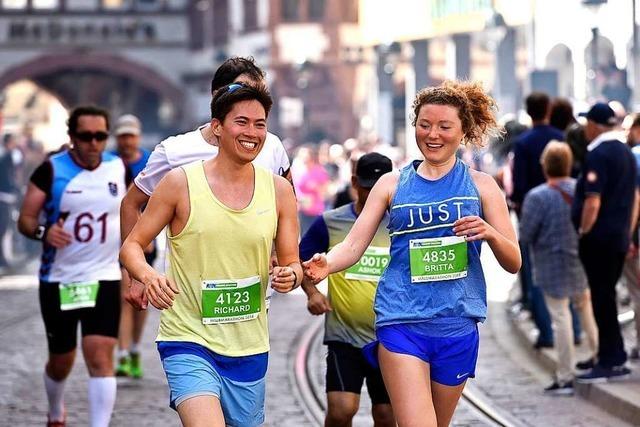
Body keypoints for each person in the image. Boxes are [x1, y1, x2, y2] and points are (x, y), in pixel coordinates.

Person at [303, 81, 520, 426]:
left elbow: (513, 262)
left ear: (462, 130)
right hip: (401, 322)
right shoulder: (391, 184)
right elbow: (354, 244)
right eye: (424, 125)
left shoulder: (482, 186)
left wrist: (489, 233)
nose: (432, 134)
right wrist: (325, 264)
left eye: (444, 126)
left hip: (457, 325)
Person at [120, 83, 301, 427]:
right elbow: (131, 245)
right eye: (242, 122)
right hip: (188, 338)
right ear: (217, 127)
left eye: (260, 124)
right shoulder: (179, 183)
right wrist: (147, 275)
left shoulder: (279, 191)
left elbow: (292, 263)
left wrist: (291, 275)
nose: (252, 133)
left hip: (248, 344)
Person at [120, 56, 292, 311]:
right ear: (216, 98)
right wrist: (137, 274)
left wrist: (280, 255)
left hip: (248, 294)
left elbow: (287, 208)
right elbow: (131, 204)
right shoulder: (175, 151)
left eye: (258, 93)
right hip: (188, 297)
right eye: (241, 90)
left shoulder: (270, 145)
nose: (250, 101)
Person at [17, 106, 127, 427]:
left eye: (100, 136)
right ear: (72, 137)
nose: (93, 143)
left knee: (100, 356)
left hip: (104, 275)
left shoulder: (118, 168)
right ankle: (55, 409)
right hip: (60, 278)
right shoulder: (51, 171)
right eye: (86, 136)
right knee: (62, 360)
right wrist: (44, 232)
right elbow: (26, 219)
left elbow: (133, 207)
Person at [300, 152, 395, 427]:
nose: (373, 194)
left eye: (380, 187)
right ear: (354, 182)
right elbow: (300, 260)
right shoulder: (330, 222)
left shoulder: (403, 223)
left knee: (387, 415)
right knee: (342, 410)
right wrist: (313, 293)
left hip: (389, 337)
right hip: (345, 335)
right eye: (367, 186)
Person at [519, 141, 598, 395]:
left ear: (545, 166)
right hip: (580, 261)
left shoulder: (537, 196)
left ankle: (565, 374)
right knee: (586, 310)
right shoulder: (580, 189)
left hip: (550, 265)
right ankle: (597, 353)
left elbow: (526, 234)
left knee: (561, 318)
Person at [572, 102, 639, 382]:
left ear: (594, 125)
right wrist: (628, 231)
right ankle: (612, 354)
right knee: (606, 296)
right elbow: (636, 198)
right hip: (618, 237)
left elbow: (592, 200)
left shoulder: (599, 154)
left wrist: (584, 231)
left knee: (602, 299)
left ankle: (610, 359)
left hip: (599, 240)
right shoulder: (625, 151)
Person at [511, 92, 564, 349]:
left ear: (529, 111)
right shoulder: (560, 137)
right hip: (562, 212)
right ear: (548, 109)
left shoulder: (523, 143)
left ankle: (546, 333)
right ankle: (572, 330)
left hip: (532, 212)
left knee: (534, 273)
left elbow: (519, 185)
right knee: (567, 271)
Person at [110, 114, 154, 378]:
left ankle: (135, 348)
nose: (127, 140)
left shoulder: (149, 161)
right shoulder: (110, 163)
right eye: (122, 135)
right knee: (124, 297)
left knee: (141, 299)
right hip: (117, 241)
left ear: (137, 136)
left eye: (131, 135)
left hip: (147, 241)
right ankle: (123, 354)